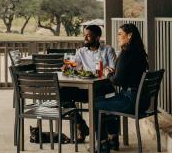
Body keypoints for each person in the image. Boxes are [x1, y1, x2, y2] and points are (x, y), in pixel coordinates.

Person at [94, 23, 149, 151]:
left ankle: (103, 144)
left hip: (131, 101)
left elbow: (117, 81)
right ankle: (113, 140)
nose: (117, 37)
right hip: (143, 102)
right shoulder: (140, 53)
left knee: (95, 103)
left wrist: (108, 75)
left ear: (129, 36)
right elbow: (127, 76)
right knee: (109, 100)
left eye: (120, 34)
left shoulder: (126, 54)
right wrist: (114, 73)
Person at [62, 25, 116, 142]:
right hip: (86, 89)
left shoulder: (108, 50)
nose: (85, 38)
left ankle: (104, 140)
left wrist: (107, 71)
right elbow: (73, 68)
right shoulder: (81, 51)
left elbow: (113, 70)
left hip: (104, 89)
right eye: (84, 35)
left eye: (89, 35)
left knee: (100, 101)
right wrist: (67, 67)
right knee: (63, 94)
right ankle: (80, 125)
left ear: (97, 37)